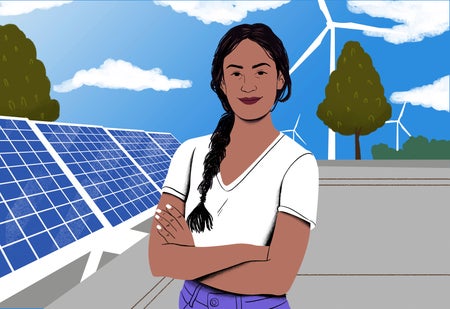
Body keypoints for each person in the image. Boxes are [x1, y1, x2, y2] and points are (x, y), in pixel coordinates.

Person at [148, 23, 319, 309]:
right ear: (222, 83)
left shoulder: (298, 164)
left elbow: (278, 277)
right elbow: (161, 259)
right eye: (236, 72)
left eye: (261, 72)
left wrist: (192, 255)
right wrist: (250, 252)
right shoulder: (189, 153)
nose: (247, 85)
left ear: (280, 78)